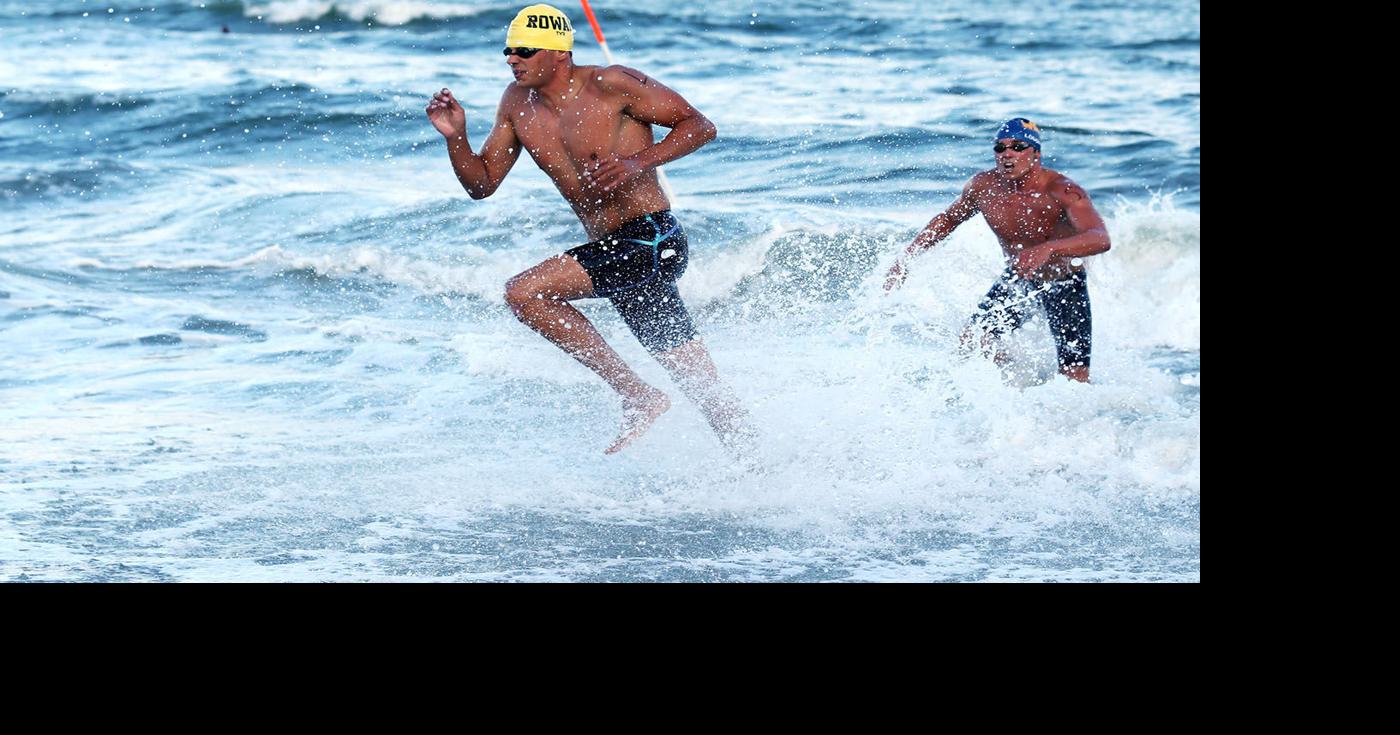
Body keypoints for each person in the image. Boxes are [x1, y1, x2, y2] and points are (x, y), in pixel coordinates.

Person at [426, 4, 750, 452]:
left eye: (523, 49)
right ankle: (758, 464)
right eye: (508, 50)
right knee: (697, 380)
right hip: (617, 251)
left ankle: (637, 395)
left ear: (557, 53)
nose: (511, 58)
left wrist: (638, 162)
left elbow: (700, 126)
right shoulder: (516, 104)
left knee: (525, 293)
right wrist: (455, 137)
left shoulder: (612, 84)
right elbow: (481, 184)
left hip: (652, 238)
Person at [884, 118, 1111, 382]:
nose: (1007, 154)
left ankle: (1075, 416)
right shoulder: (983, 188)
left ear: (1035, 153)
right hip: (1019, 279)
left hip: (1063, 284)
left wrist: (1050, 248)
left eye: (1017, 146)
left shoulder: (1062, 190)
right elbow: (948, 219)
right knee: (974, 340)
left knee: (1075, 375)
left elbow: (1100, 238)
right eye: (1000, 148)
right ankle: (1015, 388)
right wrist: (907, 258)